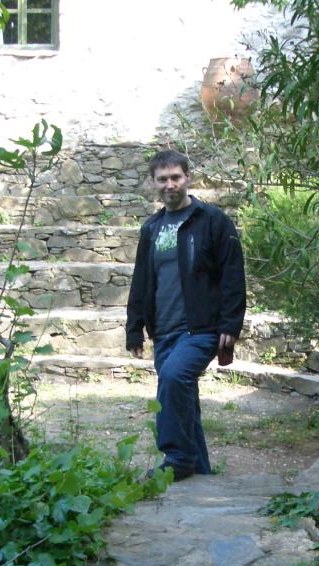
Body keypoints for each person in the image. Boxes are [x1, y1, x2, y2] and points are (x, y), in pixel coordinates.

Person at [126, 149, 246, 481]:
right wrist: (134, 329)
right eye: (162, 179)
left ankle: (177, 458)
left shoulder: (212, 221)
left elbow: (233, 274)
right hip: (163, 332)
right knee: (185, 405)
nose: (170, 185)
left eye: (176, 177)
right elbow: (141, 280)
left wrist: (231, 323)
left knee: (174, 377)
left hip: (201, 329)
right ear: (153, 182)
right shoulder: (151, 228)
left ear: (187, 178)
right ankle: (200, 475)